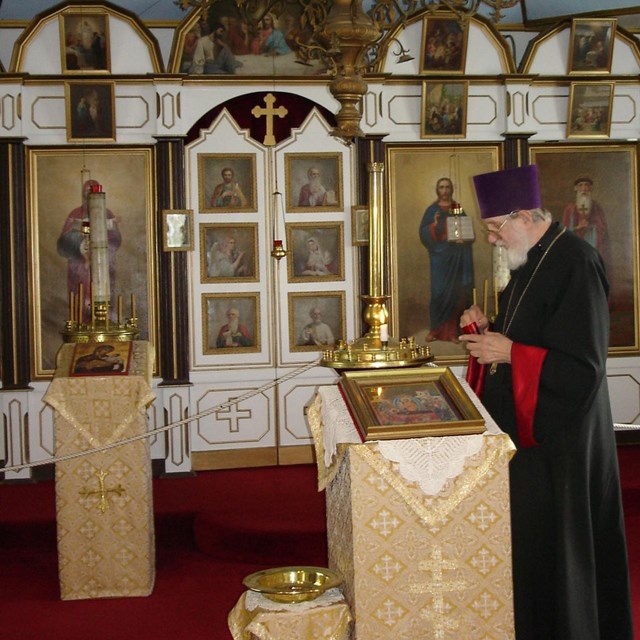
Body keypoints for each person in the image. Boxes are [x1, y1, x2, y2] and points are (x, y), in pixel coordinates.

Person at [458, 164, 632, 640]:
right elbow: (527, 333)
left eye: (495, 227)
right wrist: (486, 329)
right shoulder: (528, 261)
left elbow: (584, 366)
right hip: (531, 435)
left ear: (522, 216)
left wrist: (509, 351)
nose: (492, 239)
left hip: (564, 437)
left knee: (562, 552)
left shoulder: (575, 260)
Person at [57, 179, 122, 323]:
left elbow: (116, 239)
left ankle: (102, 320)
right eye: (87, 193)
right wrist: (81, 245)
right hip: (80, 265)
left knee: (102, 296)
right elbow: (64, 241)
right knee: (81, 297)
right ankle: (81, 321)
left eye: (92, 193)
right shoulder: (75, 214)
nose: (89, 197)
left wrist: (102, 242)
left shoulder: (107, 214)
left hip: (102, 263)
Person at [418, 177, 474, 342]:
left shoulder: (458, 208)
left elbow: (467, 231)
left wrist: (464, 240)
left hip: (456, 257)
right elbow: (423, 233)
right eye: (441, 187)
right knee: (438, 293)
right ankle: (435, 330)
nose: (444, 190)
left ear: (451, 189)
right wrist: (433, 225)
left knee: (456, 294)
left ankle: (453, 332)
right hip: (440, 258)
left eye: (447, 187)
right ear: (437, 190)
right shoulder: (431, 210)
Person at [561, 175, 608, 265]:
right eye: (580, 185)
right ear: (575, 188)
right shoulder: (570, 209)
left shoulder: (596, 207)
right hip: (575, 248)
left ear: (590, 188)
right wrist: (577, 227)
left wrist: (591, 227)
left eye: (586, 185)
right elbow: (563, 232)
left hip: (591, 246)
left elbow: (602, 230)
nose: (584, 188)